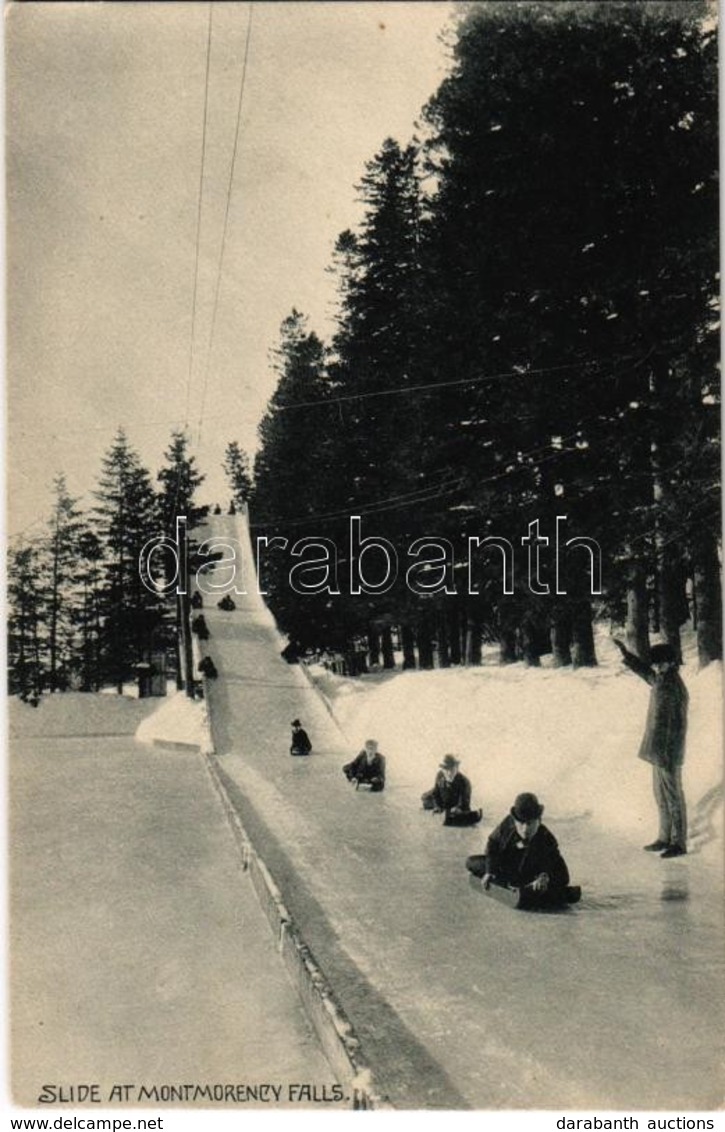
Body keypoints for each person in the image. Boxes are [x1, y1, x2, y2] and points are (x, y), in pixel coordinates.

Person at [614, 639, 689, 858]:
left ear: (672, 663)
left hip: (668, 752)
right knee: (660, 795)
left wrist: (666, 754)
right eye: (655, 664)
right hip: (658, 751)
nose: (657, 667)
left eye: (661, 664)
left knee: (673, 797)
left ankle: (679, 843)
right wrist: (627, 656)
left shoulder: (675, 686)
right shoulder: (661, 679)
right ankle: (664, 837)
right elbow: (646, 673)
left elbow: (677, 725)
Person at [466, 792, 571, 906]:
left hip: (530, 873)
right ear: (515, 821)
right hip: (507, 868)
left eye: (530, 823)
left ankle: (529, 886)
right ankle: (511, 881)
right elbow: (493, 844)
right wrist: (489, 871)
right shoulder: (507, 823)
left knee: (562, 880)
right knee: (470, 862)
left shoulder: (547, 838)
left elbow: (558, 870)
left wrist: (544, 876)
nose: (525, 829)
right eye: (521, 823)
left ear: (539, 821)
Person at [421, 754, 482, 826]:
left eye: (452, 769)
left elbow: (464, 805)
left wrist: (455, 810)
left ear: (457, 768)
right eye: (446, 770)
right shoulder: (440, 775)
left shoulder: (464, 782)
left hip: (453, 803)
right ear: (442, 770)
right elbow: (436, 794)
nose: (449, 773)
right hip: (444, 797)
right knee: (424, 799)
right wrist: (438, 807)